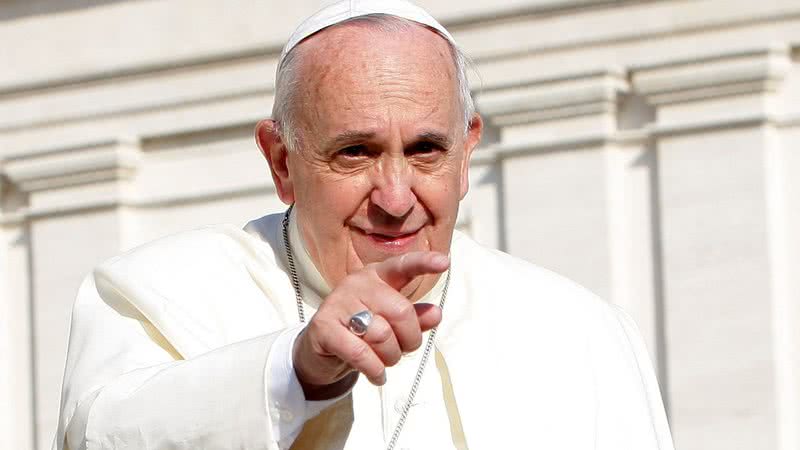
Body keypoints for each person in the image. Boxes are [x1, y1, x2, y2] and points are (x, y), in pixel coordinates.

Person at [53, 1, 675, 449]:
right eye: (356, 152)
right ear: (281, 162)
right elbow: (102, 434)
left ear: (467, 155)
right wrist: (298, 374)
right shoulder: (156, 293)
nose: (396, 197)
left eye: (427, 149)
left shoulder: (583, 331)